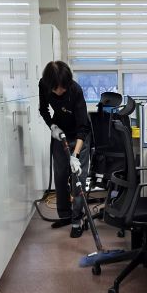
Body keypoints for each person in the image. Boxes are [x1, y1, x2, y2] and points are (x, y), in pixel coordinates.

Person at [38, 61, 91, 238]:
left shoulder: (75, 90)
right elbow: (43, 109)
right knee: (60, 176)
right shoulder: (44, 84)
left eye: (63, 88)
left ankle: (77, 220)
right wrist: (52, 126)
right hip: (60, 133)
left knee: (78, 179)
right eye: (56, 88)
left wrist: (75, 155)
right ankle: (66, 216)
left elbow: (83, 128)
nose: (60, 91)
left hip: (79, 136)